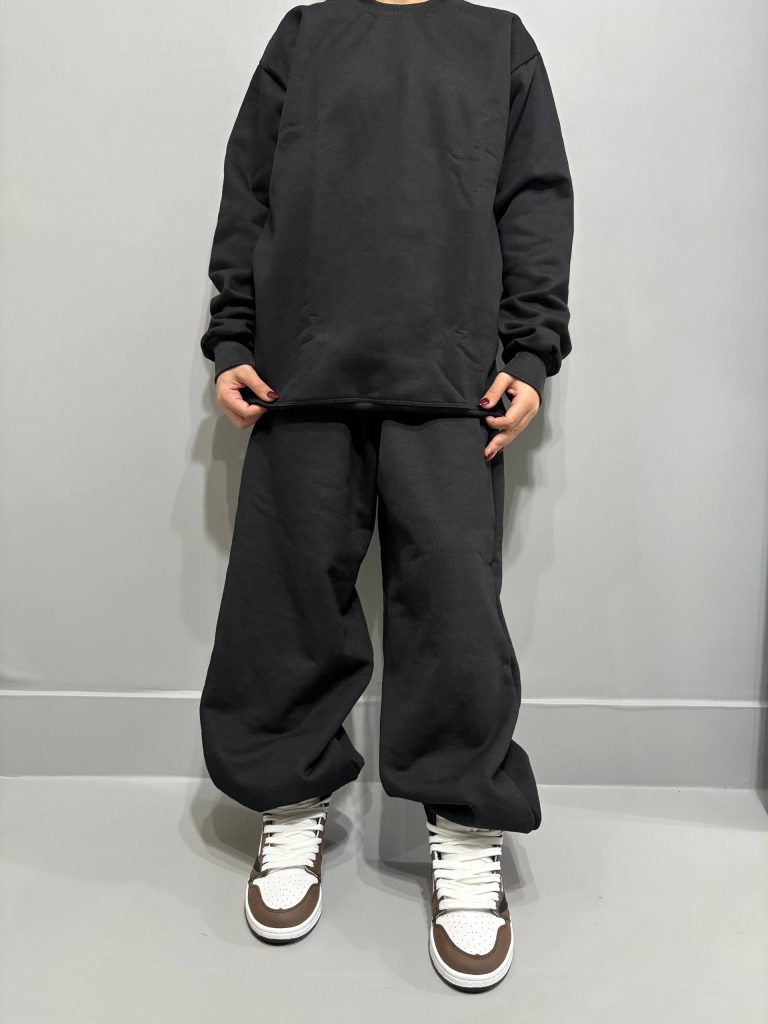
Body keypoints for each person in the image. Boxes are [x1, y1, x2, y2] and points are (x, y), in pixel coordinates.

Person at [198, 0, 573, 993]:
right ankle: (289, 805)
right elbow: (250, 188)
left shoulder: (497, 42)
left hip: (451, 376)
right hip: (301, 367)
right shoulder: (306, 35)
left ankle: (466, 825)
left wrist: (532, 348)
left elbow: (534, 200)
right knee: (287, 600)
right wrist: (233, 334)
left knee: (454, 607)